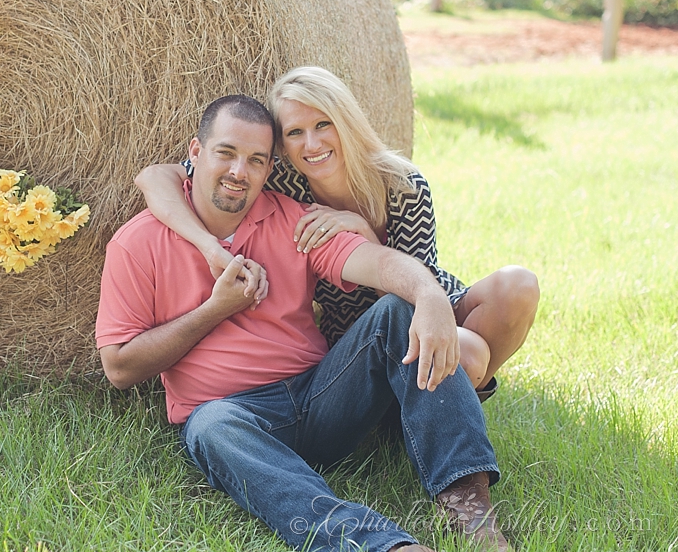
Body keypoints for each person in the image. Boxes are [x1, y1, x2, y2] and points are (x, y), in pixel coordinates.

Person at [97, 95, 518, 552]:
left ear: (270, 168)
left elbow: (376, 263)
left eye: (256, 160)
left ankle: (471, 513)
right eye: (226, 153)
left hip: (320, 396)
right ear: (196, 151)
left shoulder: (293, 219)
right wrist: (215, 309)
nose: (239, 171)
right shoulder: (138, 243)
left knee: (396, 310)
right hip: (234, 417)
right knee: (209, 428)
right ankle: (386, 550)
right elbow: (120, 368)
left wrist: (427, 292)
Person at [135, 66, 539, 401]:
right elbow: (154, 178)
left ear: (344, 121)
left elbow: (412, 289)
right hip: (352, 330)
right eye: (294, 133)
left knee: (518, 286)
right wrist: (208, 246)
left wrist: (365, 235)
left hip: (419, 298)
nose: (311, 144)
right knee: (469, 354)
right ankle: (436, 398)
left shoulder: (402, 186)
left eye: (322, 124)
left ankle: (449, 404)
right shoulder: (284, 187)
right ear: (282, 148)